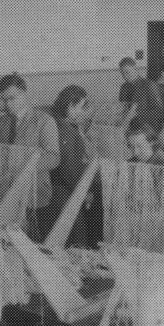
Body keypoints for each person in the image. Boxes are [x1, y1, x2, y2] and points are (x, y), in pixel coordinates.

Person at [0, 73, 61, 240]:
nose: (7, 104)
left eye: (12, 98)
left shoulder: (43, 121)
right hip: (7, 192)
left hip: (35, 193)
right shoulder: (1, 123)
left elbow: (53, 157)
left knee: (34, 242)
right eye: (4, 100)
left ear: (24, 94)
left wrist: (22, 166)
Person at [49, 85, 92, 246]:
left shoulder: (55, 122)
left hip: (55, 190)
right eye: (81, 107)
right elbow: (68, 169)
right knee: (74, 239)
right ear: (70, 106)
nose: (83, 112)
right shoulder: (65, 131)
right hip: (64, 194)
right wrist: (84, 192)